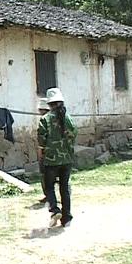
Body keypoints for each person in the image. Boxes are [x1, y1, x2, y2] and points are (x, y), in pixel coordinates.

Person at [37, 88, 77, 227]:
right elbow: (74, 134)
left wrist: (42, 154)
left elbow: (41, 141)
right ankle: (67, 218)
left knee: (49, 187)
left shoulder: (45, 119)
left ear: (49, 104)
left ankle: (55, 210)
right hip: (67, 159)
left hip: (51, 160)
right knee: (64, 188)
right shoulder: (68, 118)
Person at [37, 98, 50, 204]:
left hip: (47, 153)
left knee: (45, 175)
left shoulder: (44, 120)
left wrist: (40, 152)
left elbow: (42, 139)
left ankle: (48, 195)